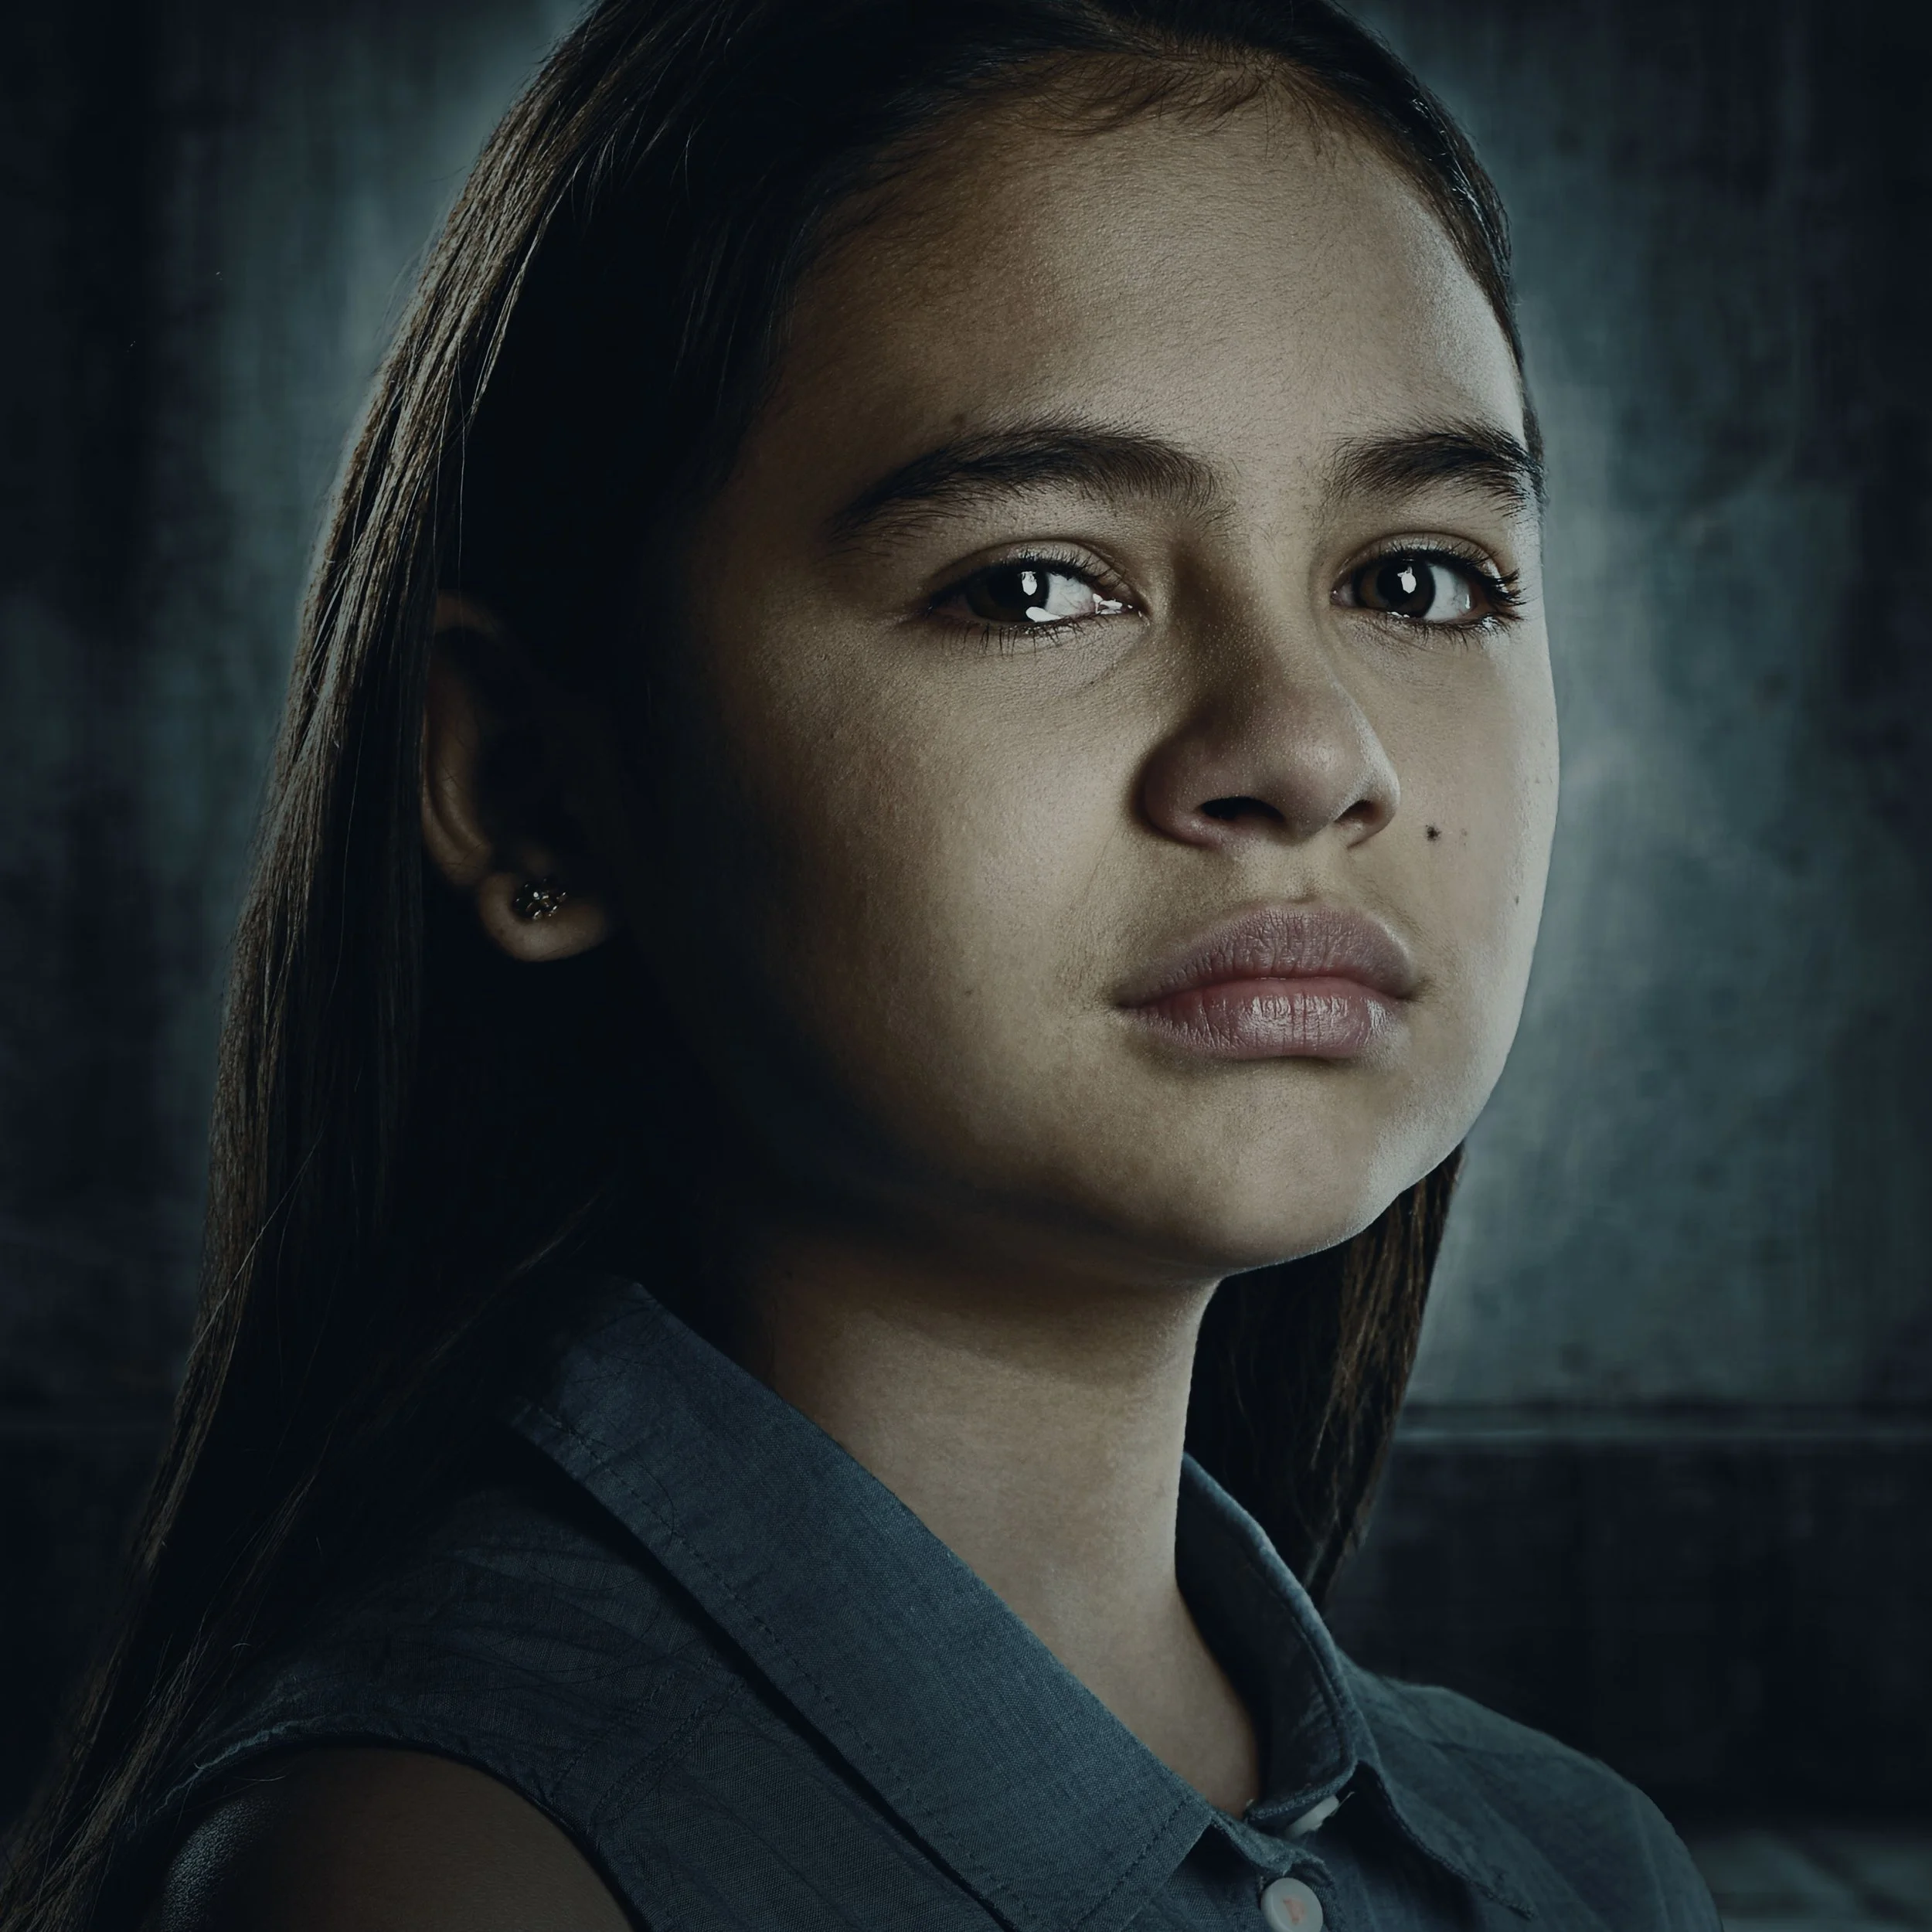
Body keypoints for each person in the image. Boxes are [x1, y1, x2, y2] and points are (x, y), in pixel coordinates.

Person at [0, 2, 1720, 1927]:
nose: (1311, 750)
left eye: (1415, 578)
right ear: (530, 785)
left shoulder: (1578, 1863)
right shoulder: (433, 1875)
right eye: (1033, 582)